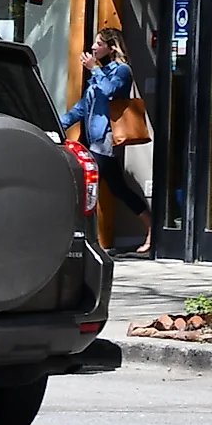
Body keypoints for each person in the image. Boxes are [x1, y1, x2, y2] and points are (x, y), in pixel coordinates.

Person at [63, 28, 153, 255]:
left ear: (111, 47)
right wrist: (59, 123)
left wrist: (94, 69)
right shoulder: (100, 73)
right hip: (93, 140)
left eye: (99, 43)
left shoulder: (122, 71)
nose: (94, 47)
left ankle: (78, 239)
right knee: (117, 188)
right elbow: (83, 107)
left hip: (105, 140)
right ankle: (152, 227)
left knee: (85, 186)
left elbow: (110, 90)